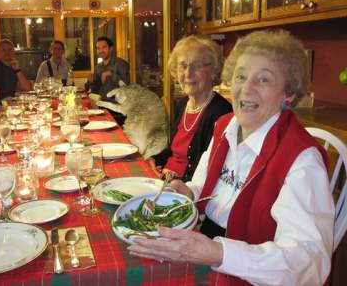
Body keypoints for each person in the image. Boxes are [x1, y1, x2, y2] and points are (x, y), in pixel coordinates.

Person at [128, 30, 334, 285]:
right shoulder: (226, 126)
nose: (247, 89)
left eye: (264, 80)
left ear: (288, 93)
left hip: (246, 270)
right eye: (241, 76)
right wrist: (187, 191)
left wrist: (217, 253)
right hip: (205, 240)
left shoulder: (302, 161)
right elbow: (202, 185)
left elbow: (309, 264)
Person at [148, 35, 232, 182]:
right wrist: (156, 159)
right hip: (165, 179)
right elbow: (174, 151)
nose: (187, 73)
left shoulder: (222, 113)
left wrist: (173, 180)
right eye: (183, 66)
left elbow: (210, 170)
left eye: (197, 66)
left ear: (214, 71)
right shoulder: (183, 104)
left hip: (186, 189)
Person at [87, 36, 130, 102]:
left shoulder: (120, 64)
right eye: (98, 48)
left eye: (104, 47)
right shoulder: (97, 67)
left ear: (111, 48)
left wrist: (111, 74)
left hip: (117, 106)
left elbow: (126, 86)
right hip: (101, 103)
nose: (101, 51)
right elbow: (95, 91)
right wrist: (91, 81)